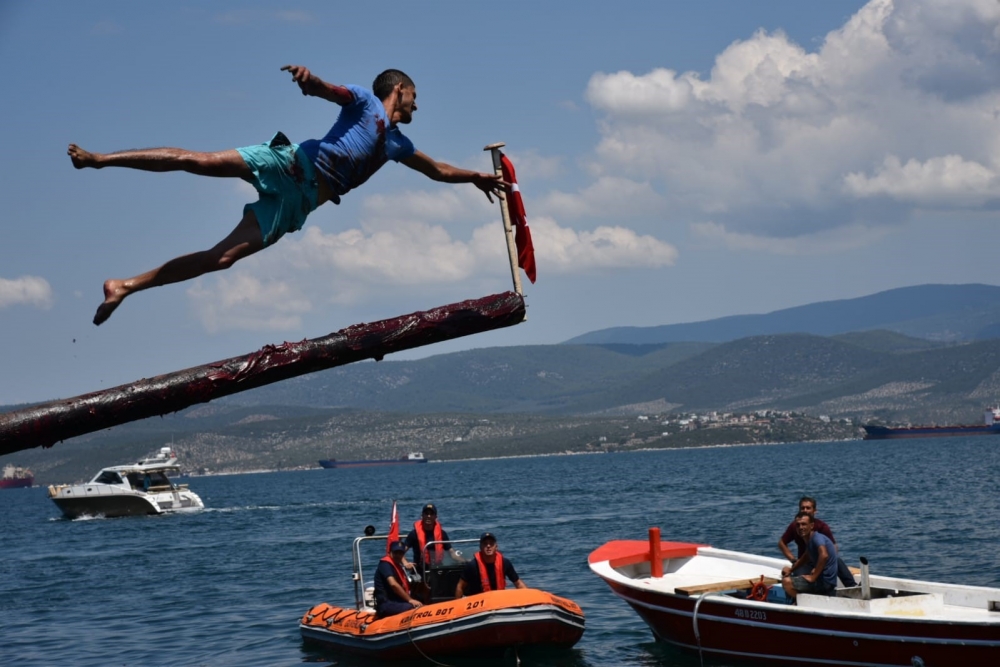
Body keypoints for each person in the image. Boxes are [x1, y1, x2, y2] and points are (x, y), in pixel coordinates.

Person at [67, 65, 505, 326]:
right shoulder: (366, 101)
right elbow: (327, 90)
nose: (416, 106)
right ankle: (100, 159)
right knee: (198, 161)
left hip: (297, 204)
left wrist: (475, 178)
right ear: (400, 89)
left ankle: (124, 286)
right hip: (291, 163)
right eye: (414, 97)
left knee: (220, 259)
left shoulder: (397, 144)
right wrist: (309, 79)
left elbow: (439, 170)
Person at [778, 496, 857, 587]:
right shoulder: (795, 526)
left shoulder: (822, 527)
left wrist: (819, 567)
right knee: (796, 579)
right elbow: (782, 543)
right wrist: (793, 560)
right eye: (802, 508)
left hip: (821, 561)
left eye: (808, 508)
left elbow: (832, 548)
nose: (805, 510)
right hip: (804, 563)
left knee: (837, 560)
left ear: (815, 511)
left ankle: (852, 586)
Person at [781, 512, 838, 600]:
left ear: (811, 526)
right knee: (792, 575)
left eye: (804, 524)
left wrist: (813, 577)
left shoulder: (816, 538)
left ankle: (802, 602)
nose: (801, 527)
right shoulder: (810, 540)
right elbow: (805, 557)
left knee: (786, 582)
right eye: (798, 525)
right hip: (823, 581)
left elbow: (824, 555)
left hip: (825, 583)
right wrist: (791, 570)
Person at [455, 532, 527, 597]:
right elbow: (460, 586)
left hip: (498, 600)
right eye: (485, 543)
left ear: (496, 547)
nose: (488, 546)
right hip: (478, 602)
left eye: (491, 543)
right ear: (480, 547)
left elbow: (518, 583)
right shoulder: (472, 566)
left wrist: (529, 596)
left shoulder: (505, 563)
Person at [404, 503, 464, 572]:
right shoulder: (413, 534)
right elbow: (401, 552)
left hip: (437, 569)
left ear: (436, 517)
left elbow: (452, 553)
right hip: (420, 569)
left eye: (431, 514)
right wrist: (406, 563)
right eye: (426, 513)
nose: (428, 516)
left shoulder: (442, 533)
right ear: (422, 516)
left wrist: (464, 561)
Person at [373, 540, 423, 618]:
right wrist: (410, 600)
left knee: (422, 600)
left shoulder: (397, 566)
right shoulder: (385, 565)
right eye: (395, 553)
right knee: (413, 608)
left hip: (396, 602)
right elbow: (393, 584)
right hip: (387, 604)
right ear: (390, 552)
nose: (398, 555)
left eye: (400, 553)